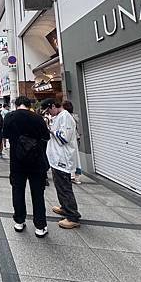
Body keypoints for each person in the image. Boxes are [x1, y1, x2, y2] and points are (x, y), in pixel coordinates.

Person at [2, 96, 51, 238]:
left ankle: (19, 221)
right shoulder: (37, 118)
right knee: (38, 193)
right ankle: (40, 226)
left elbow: (5, 136)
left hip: (17, 162)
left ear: (16, 104)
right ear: (29, 105)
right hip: (36, 161)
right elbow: (46, 137)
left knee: (18, 190)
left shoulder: (10, 117)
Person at [41, 98, 82, 229]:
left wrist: (50, 130)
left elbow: (64, 137)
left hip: (62, 159)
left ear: (53, 106)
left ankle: (72, 216)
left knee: (65, 187)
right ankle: (65, 207)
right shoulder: (60, 116)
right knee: (60, 186)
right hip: (57, 159)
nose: (49, 113)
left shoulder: (66, 117)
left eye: (49, 110)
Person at [63, 100, 82, 184]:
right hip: (76, 138)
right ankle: (76, 176)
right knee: (76, 158)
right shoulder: (75, 117)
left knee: (69, 157)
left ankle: (71, 175)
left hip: (70, 140)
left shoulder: (66, 117)